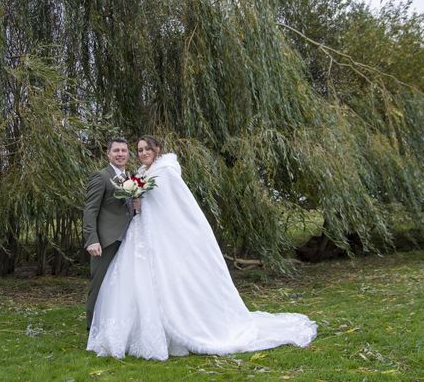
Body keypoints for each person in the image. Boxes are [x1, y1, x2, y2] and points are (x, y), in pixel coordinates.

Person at [87, 135, 317, 360]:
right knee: (134, 281)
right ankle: (130, 331)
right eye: (139, 149)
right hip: (139, 233)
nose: (143, 152)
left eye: (147, 148)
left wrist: (142, 204)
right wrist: (138, 204)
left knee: (160, 282)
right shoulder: (140, 174)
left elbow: (174, 208)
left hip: (159, 236)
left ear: (157, 149)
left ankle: (173, 329)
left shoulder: (165, 172)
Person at [83, 138, 140, 332]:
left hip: (129, 239)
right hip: (106, 241)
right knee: (99, 285)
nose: (120, 154)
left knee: (120, 286)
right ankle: (92, 329)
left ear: (128, 154)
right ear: (108, 154)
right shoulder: (101, 177)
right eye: (116, 150)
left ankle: (116, 327)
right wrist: (92, 240)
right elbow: (90, 210)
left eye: (124, 150)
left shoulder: (131, 178)